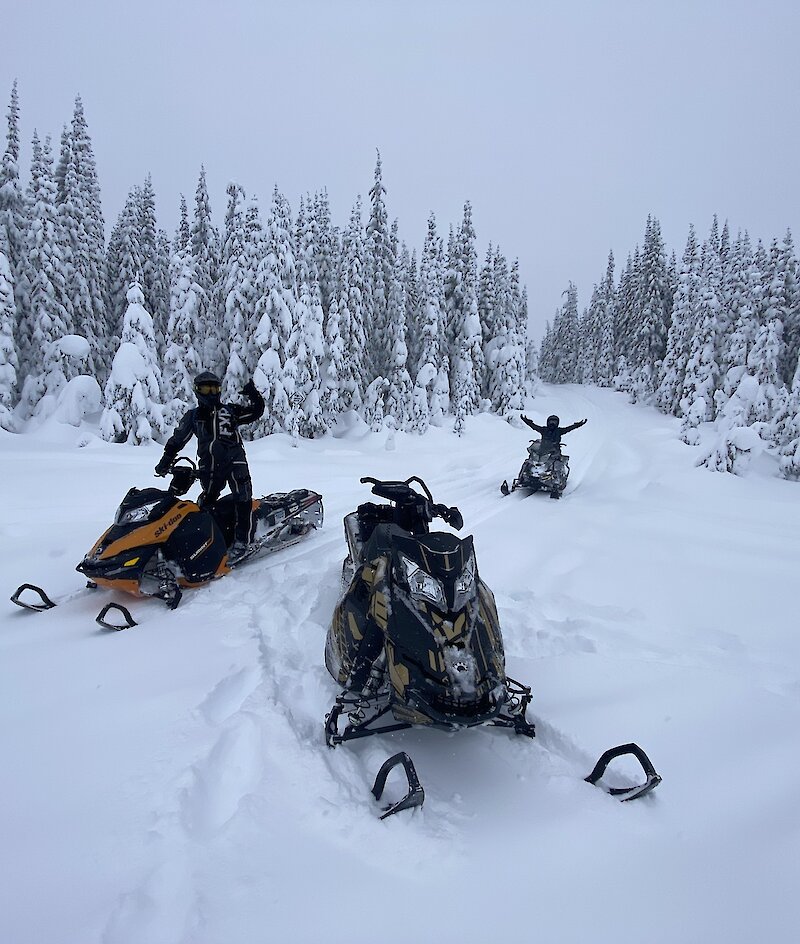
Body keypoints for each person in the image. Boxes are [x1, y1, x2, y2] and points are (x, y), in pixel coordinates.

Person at [155, 371, 265, 563]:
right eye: (206, 388)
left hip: (235, 461)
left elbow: (255, 412)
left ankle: (241, 542)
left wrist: (253, 394)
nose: (211, 392)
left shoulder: (229, 411)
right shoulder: (193, 416)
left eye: (215, 388)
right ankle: (206, 539)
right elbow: (178, 438)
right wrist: (166, 459)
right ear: (198, 391)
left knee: (243, 497)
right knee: (207, 502)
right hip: (209, 466)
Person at [520, 413, 587, 458]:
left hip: (554, 451)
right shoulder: (544, 429)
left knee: (556, 463)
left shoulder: (559, 431)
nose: (552, 424)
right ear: (547, 422)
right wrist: (527, 421)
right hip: (542, 450)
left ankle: (557, 475)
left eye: (554, 422)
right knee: (530, 459)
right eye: (550, 422)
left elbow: (569, 428)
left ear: (557, 423)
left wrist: (577, 425)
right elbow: (534, 426)